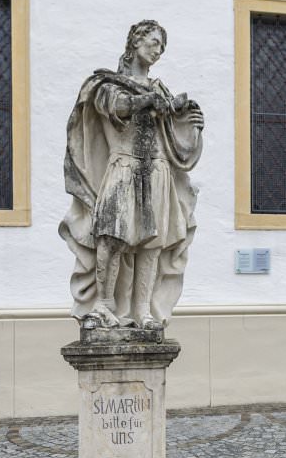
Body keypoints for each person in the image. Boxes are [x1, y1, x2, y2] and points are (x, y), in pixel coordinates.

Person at [59, 20, 204, 330]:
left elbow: (174, 139)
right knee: (112, 236)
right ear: (135, 42)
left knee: (152, 243)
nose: (158, 51)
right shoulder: (106, 83)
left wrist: (190, 123)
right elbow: (115, 107)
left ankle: (143, 311)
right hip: (123, 166)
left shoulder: (160, 89)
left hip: (157, 169)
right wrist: (144, 101)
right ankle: (103, 304)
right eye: (153, 43)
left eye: (162, 47)